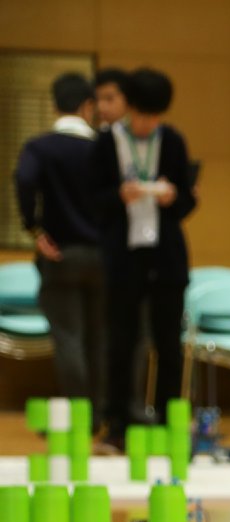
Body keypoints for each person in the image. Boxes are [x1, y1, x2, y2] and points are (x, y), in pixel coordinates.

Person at [89, 68, 195, 449]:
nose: (148, 123)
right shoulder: (105, 143)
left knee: (169, 342)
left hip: (166, 256)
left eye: (155, 115)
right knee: (121, 340)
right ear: (130, 108)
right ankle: (118, 423)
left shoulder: (173, 140)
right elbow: (92, 201)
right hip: (123, 255)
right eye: (142, 114)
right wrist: (120, 195)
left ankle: (169, 423)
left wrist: (172, 197)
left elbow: (188, 198)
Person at [14, 73, 103, 405]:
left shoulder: (40, 147)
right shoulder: (100, 149)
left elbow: (24, 179)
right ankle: (100, 414)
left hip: (59, 255)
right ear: (87, 106)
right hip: (102, 256)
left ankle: (77, 416)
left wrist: (34, 228)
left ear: (54, 104)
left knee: (69, 338)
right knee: (100, 338)